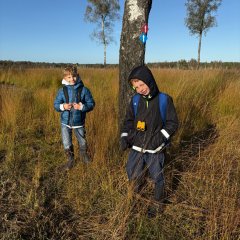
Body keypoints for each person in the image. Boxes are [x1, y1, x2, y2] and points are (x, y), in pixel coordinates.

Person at [120, 65, 178, 216]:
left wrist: (158, 139)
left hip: (155, 150)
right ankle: (136, 199)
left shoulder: (164, 100)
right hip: (137, 147)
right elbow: (128, 121)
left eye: (142, 84)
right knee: (132, 173)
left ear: (149, 81)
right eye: (136, 87)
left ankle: (158, 204)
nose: (140, 89)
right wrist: (125, 137)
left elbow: (172, 123)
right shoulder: (135, 101)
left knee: (157, 177)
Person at [54, 66, 95, 170]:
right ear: (65, 78)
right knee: (66, 142)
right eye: (69, 77)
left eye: (74, 76)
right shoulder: (62, 91)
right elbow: (56, 104)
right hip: (65, 122)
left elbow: (91, 104)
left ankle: (84, 157)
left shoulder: (84, 90)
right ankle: (70, 161)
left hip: (79, 122)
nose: (72, 79)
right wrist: (63, 106)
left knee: (82, 141)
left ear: (78, 76)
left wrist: (81, 107)